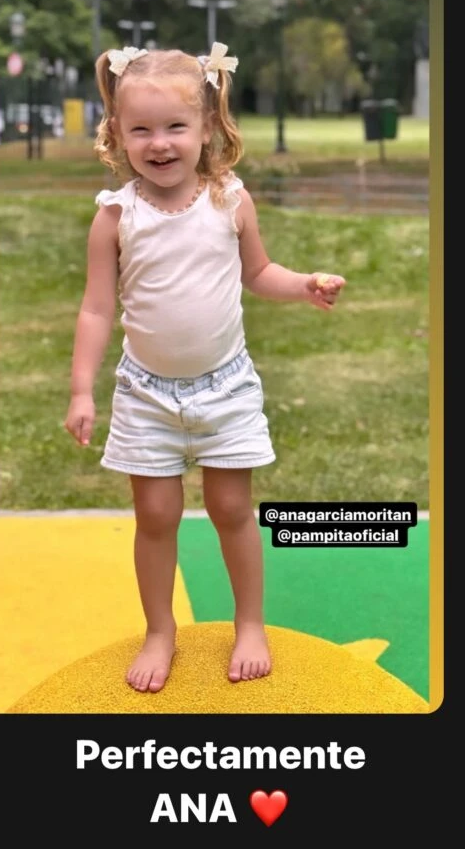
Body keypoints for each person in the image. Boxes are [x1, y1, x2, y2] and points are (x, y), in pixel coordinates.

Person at [64, 43, 346, 694]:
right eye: (141, 129)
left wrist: (304, 285)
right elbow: (97, 309)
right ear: (117, 132)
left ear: (207, 127)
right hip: (145, 395)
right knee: (156, 515)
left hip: (227, 389)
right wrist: (82, 391)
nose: (159, 143)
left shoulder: (230, 201)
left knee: (231, 507)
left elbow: (259, 272)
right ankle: (160, 630)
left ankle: (250, 624)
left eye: (175, 126)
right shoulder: (115, 216)